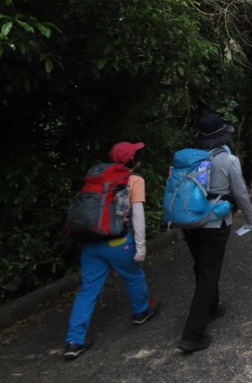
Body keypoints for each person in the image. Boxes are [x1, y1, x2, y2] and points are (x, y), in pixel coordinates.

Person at [63, 141, 160, 361]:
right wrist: (141, 247)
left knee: (87, 291)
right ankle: (141, 311)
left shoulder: (97, 179)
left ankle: (74, 341)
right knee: (134, 275)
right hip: (117, 242)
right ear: (133, 161)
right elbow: (138, 216)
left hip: (91, 243)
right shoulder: (134, 180)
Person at [177, 114, 252, 353]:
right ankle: (192, 335)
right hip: (214, 225)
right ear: (222, 137)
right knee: (208, 274)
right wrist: (250, 219)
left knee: (203, 267)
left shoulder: (193, 160)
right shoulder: (228, 160)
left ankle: (212, 307)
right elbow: (241, 193)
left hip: (190, 224)